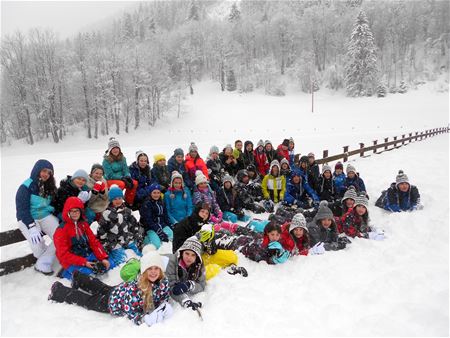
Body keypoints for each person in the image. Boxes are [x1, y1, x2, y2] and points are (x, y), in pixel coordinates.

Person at [48, 250, 173, 326]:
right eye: (149, 269)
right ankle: (59, 291)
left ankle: (79, 278)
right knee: (89, 301)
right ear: (143, 271)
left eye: (156, 268)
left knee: (103, 288)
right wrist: (141, 319)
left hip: (120, 290)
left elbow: (164, 295)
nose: (153, 272)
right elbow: (129, 309)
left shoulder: (163, 281)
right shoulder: (137, 288)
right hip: (114, 302)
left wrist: (164, 305)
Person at [15, 159, 59, 275]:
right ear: (37, 170)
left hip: (45, 216)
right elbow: (22, 209)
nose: (46, 174)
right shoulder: (26, 187)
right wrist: (31, 226)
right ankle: (44, 257)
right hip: (28, 218)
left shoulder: (50, 187)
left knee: (61, 236)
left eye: (49, 172)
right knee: (37, 245)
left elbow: (54, 203)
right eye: (44, 171)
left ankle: (43, 263)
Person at [53, 197, 114, 280]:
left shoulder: (83, 224)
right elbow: (63, 255)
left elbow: (93, 242)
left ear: (81, 212)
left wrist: (103, 258)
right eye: (72, 211)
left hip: (86, 254)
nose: (75, 213)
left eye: (77, 211)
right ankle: (66, 273)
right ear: (68, 212)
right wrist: (84, 262)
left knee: (109, 265)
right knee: (88, 277)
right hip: (72, 260)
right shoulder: (61, 230)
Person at [97, 186, 143, 265]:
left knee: (138, 255)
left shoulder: (127, 211)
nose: (118, 201)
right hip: (114, 241)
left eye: (119, 198)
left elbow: (134, 224)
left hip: (127, 238)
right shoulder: (107, 213)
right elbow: (102, 230)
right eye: (115, 199)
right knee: (122, 260)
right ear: (111, 200)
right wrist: (104, 242)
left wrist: (136, 234)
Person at [215, 222, 290, 265]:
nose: (275, 237)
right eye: (272, 234)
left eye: (277, 235)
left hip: (243, 239)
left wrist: (284, 253)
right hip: (237, 244)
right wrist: (271, 260)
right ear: (267, 233)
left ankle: (221, 228)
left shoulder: (276, 243)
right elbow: (256, 255)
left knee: (227, 234)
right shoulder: (262, 242)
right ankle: (217, 227)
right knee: (220, 237)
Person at [165, 237, 205, 310]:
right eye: (187, 253)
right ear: (182, 252)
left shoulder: (198, 265)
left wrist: (190, 285)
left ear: (197, 257)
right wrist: (185, 300)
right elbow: (171, 288)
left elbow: (202, 285)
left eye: (193, 255)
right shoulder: (171, 262)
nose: (189, 257)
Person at [102, 137, 137, 206]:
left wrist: (127, 176)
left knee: (134, 183)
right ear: (110, 150)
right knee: (121, 184)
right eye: (113, 148)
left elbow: (126, 169)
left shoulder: (122, 158)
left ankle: (128, 202)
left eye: (117, 148)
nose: (115, 150)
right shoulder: (106, 160)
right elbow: (109, 175)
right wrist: (122, 178)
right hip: (109, 180)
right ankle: (114, 202)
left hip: (122, 178)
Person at [139, 183, 173, 250]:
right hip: (150, 227)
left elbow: (165, 216)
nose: (156, 195)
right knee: (156, 245)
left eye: (158, 193)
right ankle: (145, 240)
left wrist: (170, 225)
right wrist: (159, 232)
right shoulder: (147, 204)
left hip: (161, 224)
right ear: (150, 193)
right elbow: (149, 221)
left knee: (171, 236)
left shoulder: (161, 202)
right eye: (154, 193)